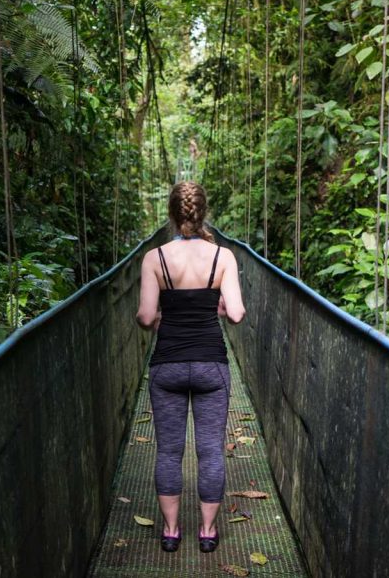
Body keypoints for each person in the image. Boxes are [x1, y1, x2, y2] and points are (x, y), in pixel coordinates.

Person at [135, 181, 246, 554]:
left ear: (172, 212)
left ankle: (170, 531)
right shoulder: (223, 257)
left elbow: (147, 316)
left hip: (166, 365)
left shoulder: (155, 258)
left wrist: (158, 318)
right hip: (211, 367)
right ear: (203, 211)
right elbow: (236, 313)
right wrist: (214, 307)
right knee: (211, 451)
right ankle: (208, 532)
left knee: (168, 452)